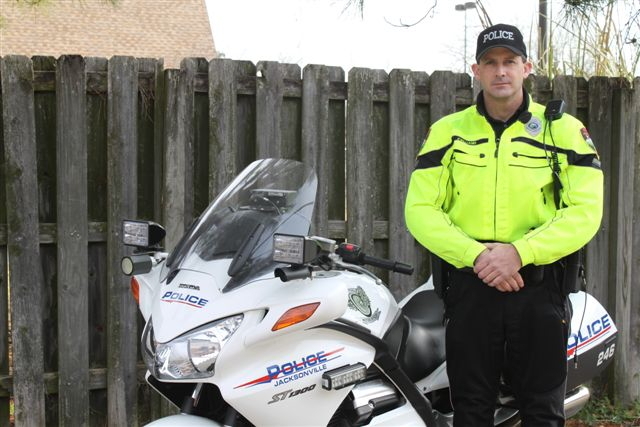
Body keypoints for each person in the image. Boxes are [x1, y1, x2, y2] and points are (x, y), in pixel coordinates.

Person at [404, 23, 603, 426]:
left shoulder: (564, 130)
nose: (500, 71)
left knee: (542, 410)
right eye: (490, 63)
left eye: (510, 62)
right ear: (476, 71)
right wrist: (477, 256)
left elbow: (585, 211)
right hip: (470, 287)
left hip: (540, 288)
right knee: (471, 409)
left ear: (526, 68)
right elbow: (420, 210)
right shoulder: (448, 132)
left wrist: (519, 253)